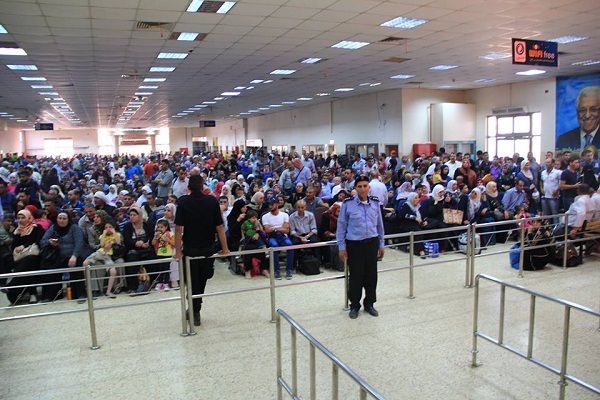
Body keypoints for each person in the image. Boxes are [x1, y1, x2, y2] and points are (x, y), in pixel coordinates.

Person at [175, 175, 229, 327]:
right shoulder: (212, 201)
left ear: (188, 188)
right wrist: (225, 248)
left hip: (190, 249)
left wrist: (178, 251)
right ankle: (195, 309)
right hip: (207, 249)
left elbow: (178, 228)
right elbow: (220, 227)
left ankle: (194, 308)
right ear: (203, 186)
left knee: (193, 280)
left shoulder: (183, 201)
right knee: (201, 280)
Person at [336, 175, 385, 319]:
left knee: (371, 275)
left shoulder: (375, 203)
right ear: (355, 188)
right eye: (360, 186)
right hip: (355, 245)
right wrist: (341, 247)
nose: (363, 189)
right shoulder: (348, 204)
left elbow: (380, 225)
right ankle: (354, 305)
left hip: (372, 243)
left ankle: (369, 303)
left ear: (369, 187)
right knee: (356, 276)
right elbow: (341, 226)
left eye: (365, 186)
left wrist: (381, 244)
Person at [262, 197, 295, 280]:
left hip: (283, 236)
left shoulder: (285, 215)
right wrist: (280, 228)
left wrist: (274, 228)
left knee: (290, 246)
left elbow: (286, 230)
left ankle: (289, 269)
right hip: (271, 237)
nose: (270, 206)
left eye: (272, 204)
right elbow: (267, 230)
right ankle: (277, 270)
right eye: (269, 205)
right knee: (274, 246)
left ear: (277, 204)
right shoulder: (265, 216)